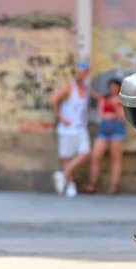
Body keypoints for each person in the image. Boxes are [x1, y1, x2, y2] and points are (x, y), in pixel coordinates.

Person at [50, 62, 100, 197]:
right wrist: (61, 117)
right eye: (77, 72)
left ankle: (62, 174)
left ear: (86, 74)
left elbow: (100, 98)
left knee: (85, 153)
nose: (79, 75)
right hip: (67, 129)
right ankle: (70, 186)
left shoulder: (87, 89)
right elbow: (53, 99)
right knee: (67, 157)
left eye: (82, 72)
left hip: (81, 128)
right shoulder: (68, 87)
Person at [85, 79, 126, 195]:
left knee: (115, 158)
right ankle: (92, 184)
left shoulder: (122, 99)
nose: (112, 89)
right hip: (104, 129)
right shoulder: (104, 98)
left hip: (117, 129)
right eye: (111, 86)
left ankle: (113, 186)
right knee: (95, 156)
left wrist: (115, 107)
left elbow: (122, 117)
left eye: (115, 86)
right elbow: (101, 114)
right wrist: (112, 115)